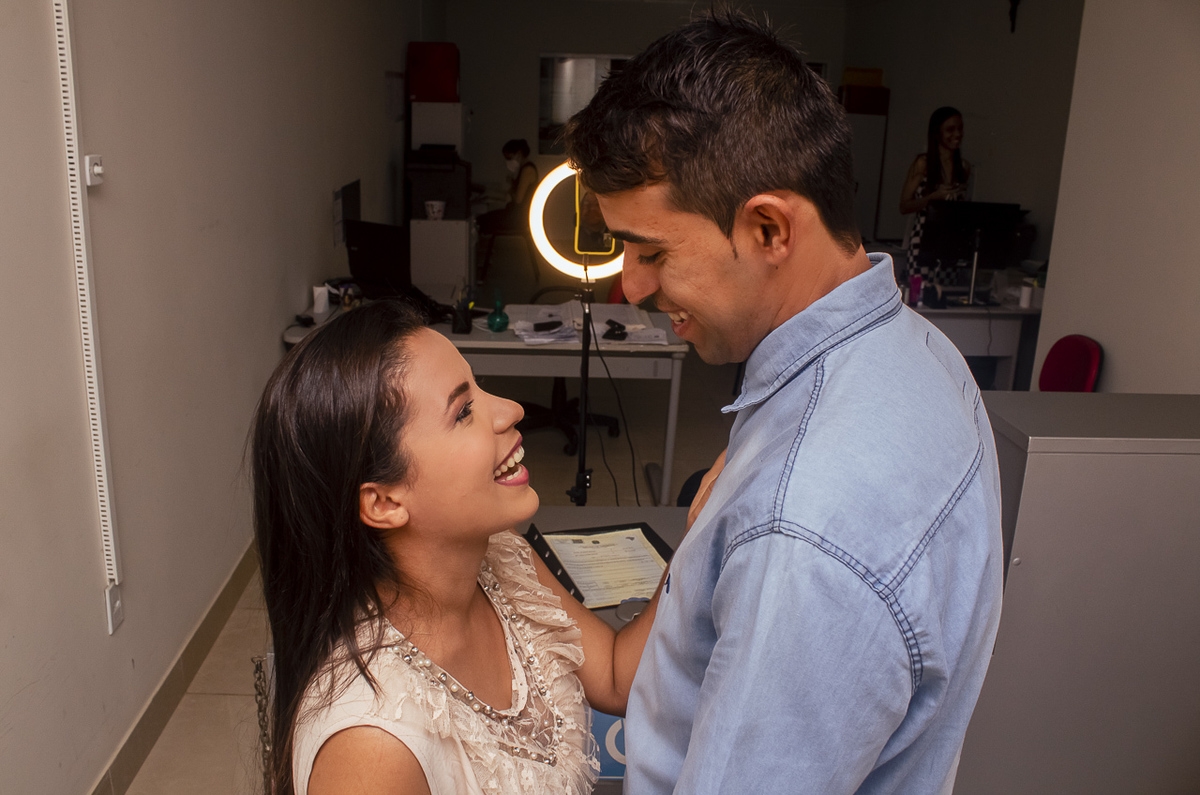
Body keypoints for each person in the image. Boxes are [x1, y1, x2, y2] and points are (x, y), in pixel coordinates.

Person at [564, 12, 1003, 794]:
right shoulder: (922, 353)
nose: (629, 285)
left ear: (769, 227)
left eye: (652, 250)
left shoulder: (806, 529)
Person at [250, 299, 663, 795]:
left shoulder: (503, 558)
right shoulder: (372, 750)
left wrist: (709, 529)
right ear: (384, 502)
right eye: (464, 410)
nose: (512, 410)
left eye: (478, 387)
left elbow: (616, 676)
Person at [899, 106, 972, 285]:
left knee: (945, 293)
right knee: (919, 292)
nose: (957, 134)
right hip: (922, 239)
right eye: (950, 129)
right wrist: (932, 198)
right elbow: (904, 206)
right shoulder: (923, 163)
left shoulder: (964, 167)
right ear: (937, 133)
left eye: (960, 128)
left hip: (951, 242)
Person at [475, 139, 540, 271]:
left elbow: (518, 199)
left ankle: (477, 262)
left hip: (517, 218)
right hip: (515, 214)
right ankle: (480, 260)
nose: (508, 161)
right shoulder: (524, 169)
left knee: (479, 221)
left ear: (519, 154)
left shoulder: (527, 170)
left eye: (509, 158)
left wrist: (511, 186)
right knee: (482, 219)